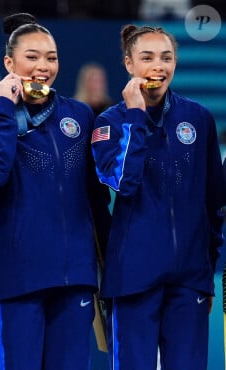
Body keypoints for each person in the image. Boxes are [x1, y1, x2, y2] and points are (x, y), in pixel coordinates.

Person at [0, 13, 112, 370]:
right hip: (18, 276)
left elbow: (96, 197)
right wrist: (5, 108)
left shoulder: (79, 116)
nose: (43, 66)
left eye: (51, 57)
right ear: (9, 63)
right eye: (32, 56)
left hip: (73, 276)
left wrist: (107, 262)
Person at [91, 24, 225, 370]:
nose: (158, 66)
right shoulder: (109, 121)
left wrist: (205, 269)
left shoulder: (198, 118)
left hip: (188, 279)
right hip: (133, 278)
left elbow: (213, 201)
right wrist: (135, 115)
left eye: (166, 58)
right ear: (128, 64)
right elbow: (123, 181)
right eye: (147, 58)